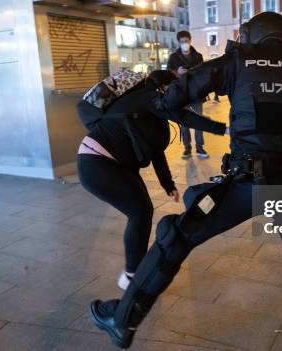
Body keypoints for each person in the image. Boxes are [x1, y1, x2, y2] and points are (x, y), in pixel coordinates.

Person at [89, 12, 282, 349]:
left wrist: (160, 98)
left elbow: (187, 87)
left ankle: (123, 320)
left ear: (255, 34)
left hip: (247, 183)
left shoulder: (241, 60)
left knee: (174, 236)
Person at [77, 70, 226, 290]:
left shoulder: (151, 110)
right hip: (97, 163)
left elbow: (156, 151)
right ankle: (131, 277)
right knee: (140, 213)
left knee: (142, 212)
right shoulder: (146, 98)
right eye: (176, 90)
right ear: (164, 89)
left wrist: (168, 185)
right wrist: (224, 129)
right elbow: (185, 118)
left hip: (117, 165)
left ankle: (134, 271)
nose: (180, 97)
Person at [167, 30, 209, 159]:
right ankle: (187, 148)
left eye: (186, 41)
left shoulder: (198, 56)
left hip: (196, 94)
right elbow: (168, 74)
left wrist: (194, 72)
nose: (185, 43)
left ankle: (200, 148)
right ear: (179, 42)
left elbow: (204, 73)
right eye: (182, 42)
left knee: (198, 121)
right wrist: (177, 72)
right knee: (184, 123)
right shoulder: (174, 57)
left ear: (190, 41)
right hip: (181, 94)